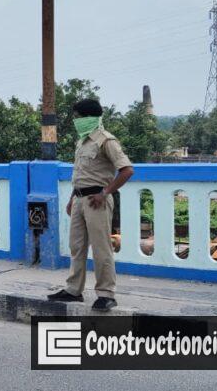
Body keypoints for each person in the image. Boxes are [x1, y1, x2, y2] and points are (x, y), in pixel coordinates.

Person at [48, 99, 134, 311]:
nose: (76, 121)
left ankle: (106, 294)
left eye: (78, 117)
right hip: (79, 199)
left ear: (89, 118)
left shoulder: (106, 141)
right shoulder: (82, 141)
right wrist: (71, 199)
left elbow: (127, 170)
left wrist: (105, 193)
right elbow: (80, 174)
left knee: (101, 248)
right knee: (76, 247)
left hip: (97, 201)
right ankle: (73, 290)